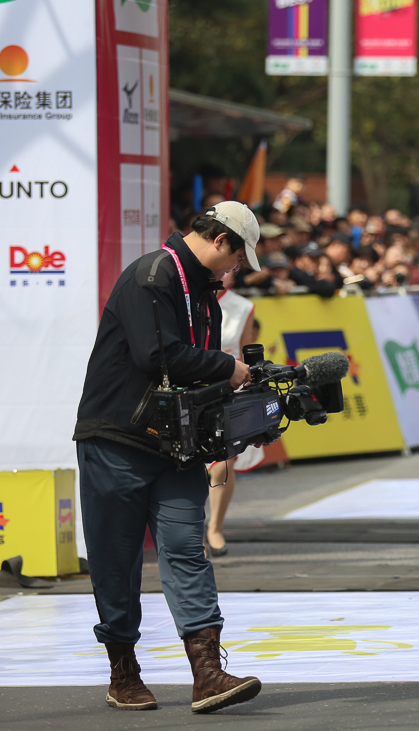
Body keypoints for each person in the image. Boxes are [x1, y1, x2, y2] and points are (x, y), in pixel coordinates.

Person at [72, 201, 263, 713]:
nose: (238, 268)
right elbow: (157, 357)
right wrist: (229, 368)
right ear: (222, 240)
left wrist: (237, 411)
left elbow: (189, 372)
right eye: (240, 256)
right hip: (117, 439)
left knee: (186, 551)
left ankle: (207, 673)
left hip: (175, 447)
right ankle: (123, 672)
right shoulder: (152, 276)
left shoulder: (205, 294)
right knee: (117, 561)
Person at [204, 270, 263, 557]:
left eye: (229, 270)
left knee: (223, 459)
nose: (223, 274)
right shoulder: (189, 300)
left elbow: (246, 350)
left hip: (230, 386)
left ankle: (215, 526)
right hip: (194, 382)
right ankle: (192, 532)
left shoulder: (243, 307)